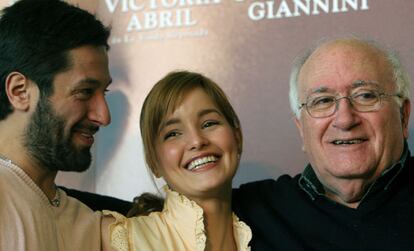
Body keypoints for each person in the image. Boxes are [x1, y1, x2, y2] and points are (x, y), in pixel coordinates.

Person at [232, 37, 413, 250]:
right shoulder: (254, 213)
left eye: (365, 96)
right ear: (301, 128)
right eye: (323, 101)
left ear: (403, 116)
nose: (345, 120)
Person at [0, 0, 113, 250]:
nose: (104, 116)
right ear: (19, 91)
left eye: (104, 93)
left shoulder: (91, 222)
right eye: (84, 92)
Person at [102, 71, 252, 250]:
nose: (197, 141)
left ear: (237, 137)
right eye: (173, 134)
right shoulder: (123, 240)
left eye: (209, 123)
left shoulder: (275, 231)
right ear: (153, 162)